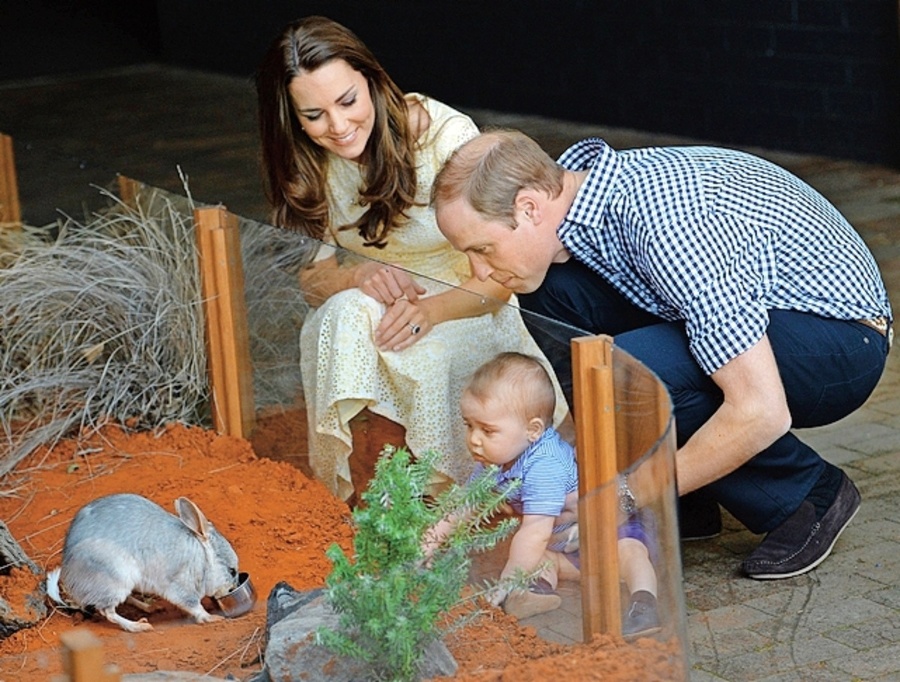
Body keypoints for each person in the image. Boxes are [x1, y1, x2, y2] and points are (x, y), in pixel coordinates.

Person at [431, 129, 893, 580]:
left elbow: (760, 410)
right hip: (774, 318)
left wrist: (625, 497)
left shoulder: (668, 225)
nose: (478, 270)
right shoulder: (582, 205)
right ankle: (686, 501)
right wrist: (559, 465)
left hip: (841, 341)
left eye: (483, 249)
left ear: (529, 207)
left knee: (630, 369)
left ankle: (808, 494)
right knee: (552, 291)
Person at [255, 18, 568, 501]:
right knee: (340, 316)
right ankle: (359, 489)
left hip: (470, 302)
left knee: (420, 348)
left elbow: (505, 274)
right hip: (383, 307)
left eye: (347, 101)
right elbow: (313, 282)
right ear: (292, 118)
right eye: (314, 115)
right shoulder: (307, 161)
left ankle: (438, 494)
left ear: (374, 83)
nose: (337, 128)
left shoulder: (442, 136)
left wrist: (430, 312)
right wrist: (356, 275)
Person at [424, 352, 660, 637]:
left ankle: (644, 603)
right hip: (570, 545)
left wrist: (507, 581)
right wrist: (423, 548)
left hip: (615, 527)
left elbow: (535, 530)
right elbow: (462, 507)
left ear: (533, 430)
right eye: (469, 425)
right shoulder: (495, 459)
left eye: (487, 430)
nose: (474, 439)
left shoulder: (544, 465)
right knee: (539, 557)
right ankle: (534, 592)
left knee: (629, 552)